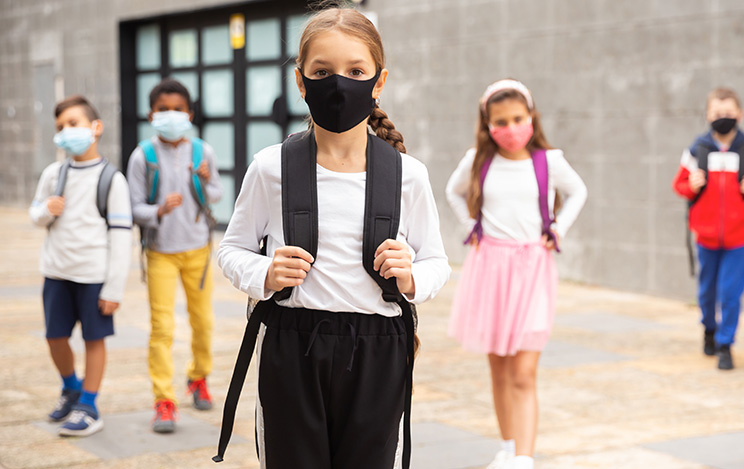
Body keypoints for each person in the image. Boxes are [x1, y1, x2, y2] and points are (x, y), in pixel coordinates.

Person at [215, 7, 449, 468]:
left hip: (379, 351)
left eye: (356, 71)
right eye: (322, 72)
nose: (339, 84)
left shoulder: (407, 175)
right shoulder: (270, 167)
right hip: (291, 348)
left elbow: (436, 261)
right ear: (301, 83)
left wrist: (411, 276)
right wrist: (264, 271)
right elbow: (231, 249)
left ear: (378, 82)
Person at [446, 79, 588, 469]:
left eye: (517, 119)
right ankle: (508, 448)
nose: (510, 128)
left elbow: (578, 192)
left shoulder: (549, 161)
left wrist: (557, 227)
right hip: (489, 270)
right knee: (499, 365)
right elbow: (453, 191)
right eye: (500, 122)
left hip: (532, 272)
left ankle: (524, 459)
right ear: (487, 124)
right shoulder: (478, 159)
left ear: (531, 117)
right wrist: (470, 226)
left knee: (524, 371)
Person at [30, 95, 132, 436]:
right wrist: (48, 209)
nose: (65, 131)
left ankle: (89, 404)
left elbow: (121, 237)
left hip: (93, 277)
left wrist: (114, 288)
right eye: (60, 127)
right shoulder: (53, 174)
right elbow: (35, 214)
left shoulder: (111, 179)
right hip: (57, 273)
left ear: (95, 127)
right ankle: (71, 387)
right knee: (55, 337)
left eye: (73, 123)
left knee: (94, 340)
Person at [126, 78, 223, 433]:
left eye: (178, 110)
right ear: (151, 114)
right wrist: (159, 211)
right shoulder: (143, 156)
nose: (171, 115)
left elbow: (216, 192)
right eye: (163, 109)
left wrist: (205, 179)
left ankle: (198, 377)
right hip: (161, 253)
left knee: (203, 322)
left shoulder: (202, 151)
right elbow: (134, 207)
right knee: (162, 328)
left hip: (197, 250)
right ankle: (163, 400)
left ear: (190, 114)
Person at [672, 88, 744, 370]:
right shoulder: (696, 150)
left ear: (740, 115)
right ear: (708, 115)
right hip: (706, 236)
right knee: (707, 291)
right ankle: (708, 328)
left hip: (739, 237)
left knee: (730, 292)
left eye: (729, 114)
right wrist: (690, 185)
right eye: (718, 114)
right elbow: (679, 184)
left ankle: (726, 344)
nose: (723, 118)